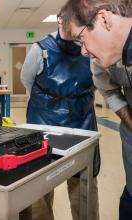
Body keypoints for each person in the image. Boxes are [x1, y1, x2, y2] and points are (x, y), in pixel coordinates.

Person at [20, 18, 100, 220]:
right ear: (60, 22)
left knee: (84, 184)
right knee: (40, 185)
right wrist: (51, 102)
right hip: (43, 121)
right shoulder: (40, 49)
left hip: (82, 121)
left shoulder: (89, 47)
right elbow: (27, 80)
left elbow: (98, 80)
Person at [59, 0, 132, 219]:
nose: (83, 51)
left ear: (103, 19)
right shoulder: (101, 58)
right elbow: (109, 91)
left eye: (81, 38)